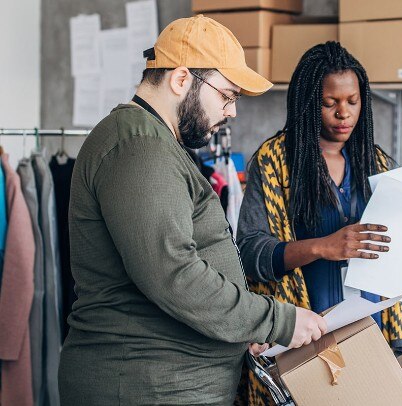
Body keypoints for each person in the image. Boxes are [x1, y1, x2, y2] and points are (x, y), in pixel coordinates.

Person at [58, 16, 327, 405]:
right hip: (143, 386)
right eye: (227, 96)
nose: (232, 112)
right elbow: (173, 274)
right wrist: (277, 320)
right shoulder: (139, 147)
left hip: (166, 385)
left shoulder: (155, 143)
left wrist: (241, 324)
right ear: (182, 80)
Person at [235, 42, 402, 404]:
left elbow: (398, 240)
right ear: (308, 104)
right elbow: (251, 253)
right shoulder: (274, 161)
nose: (343, 114)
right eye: (330, 103)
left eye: (353, 101)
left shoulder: (377, 162)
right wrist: (324, 246)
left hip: (369, 331)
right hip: (303, 338)